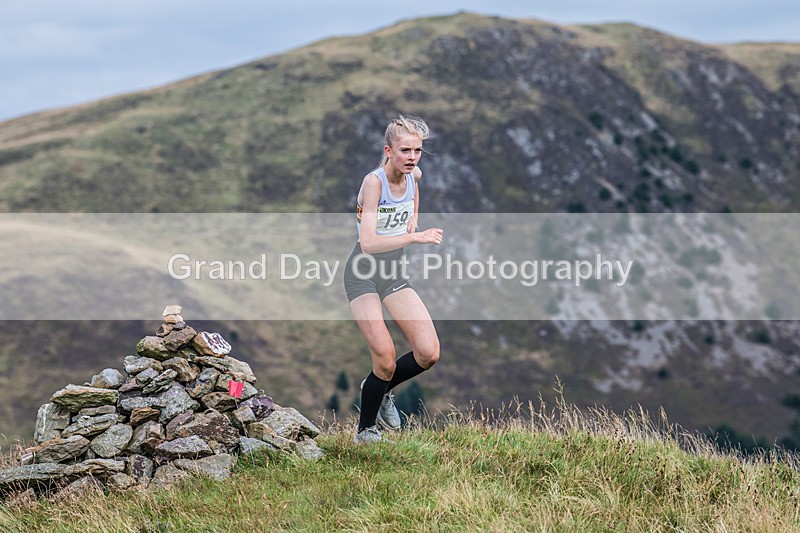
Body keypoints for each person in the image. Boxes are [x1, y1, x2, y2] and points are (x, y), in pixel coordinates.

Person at [343, 114, 443, 444]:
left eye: (417, 150)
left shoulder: (414, 174)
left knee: (428, 352)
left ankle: (382, 387)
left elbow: (415, 189)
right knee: (384, 359)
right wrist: (414, 238)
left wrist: (413, 217)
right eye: (405, 150)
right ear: (389, 150)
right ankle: (366, 432)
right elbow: (369, 243)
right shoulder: (374, 183)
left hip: (393, 274)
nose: (412, 157)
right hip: (363, 274)